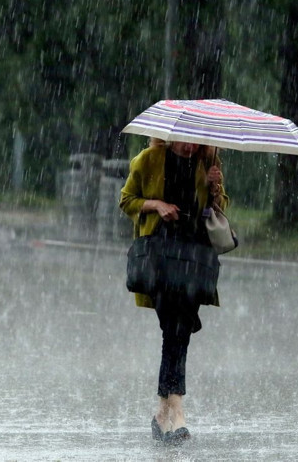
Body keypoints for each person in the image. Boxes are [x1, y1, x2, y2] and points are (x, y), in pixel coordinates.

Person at [119, 138, 229, 445]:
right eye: (185, 142)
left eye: (197, 142)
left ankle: (163, 412)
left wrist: (214, 189)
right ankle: (176, 408)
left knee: (179, 330)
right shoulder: (148, 159)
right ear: (169, 137)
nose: (191, 147)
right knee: (174, 328)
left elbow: (218, 211)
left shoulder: (209, 163)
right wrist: (157, 205)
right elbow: (127, 200)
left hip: (194, 257)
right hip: (160, 258)